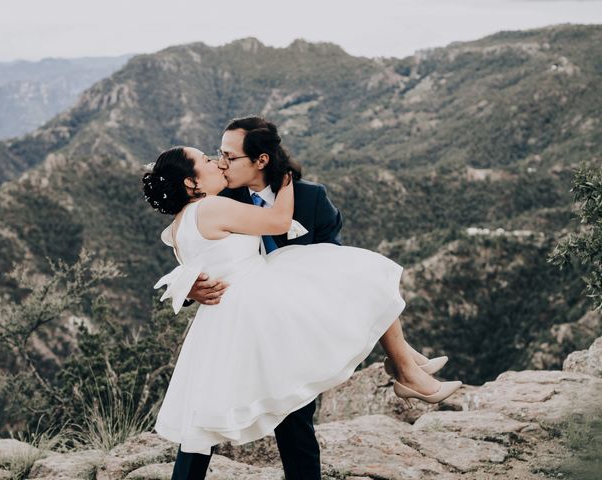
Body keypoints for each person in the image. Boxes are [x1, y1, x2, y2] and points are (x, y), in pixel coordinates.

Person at [143, 119, 461, 480]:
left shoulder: (312, 198)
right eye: (215, 156)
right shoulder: (221, 198)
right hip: (245, 317)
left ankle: (403, 362)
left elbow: (331, 262)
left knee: (289, 418)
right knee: (206, 416)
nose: (221, 163)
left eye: (228, 156)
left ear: (260, 160)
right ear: (192, 181)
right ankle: (404, 362)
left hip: (286, 316)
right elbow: (208, 253)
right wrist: (191, 289)